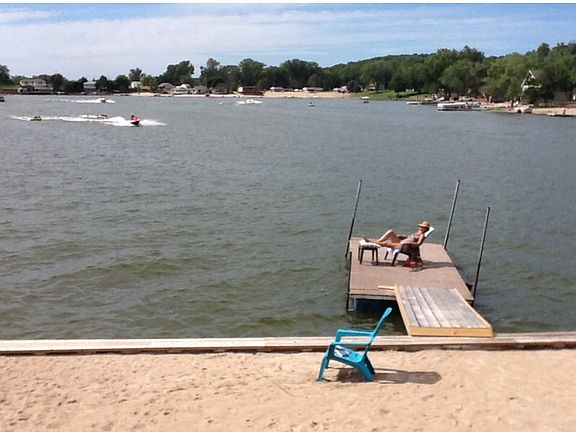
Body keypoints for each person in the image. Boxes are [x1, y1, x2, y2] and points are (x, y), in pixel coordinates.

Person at [363, 221, 431, 270]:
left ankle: (370, 241)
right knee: (390, 232)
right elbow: (409, 237)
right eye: (420, 226)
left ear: (426, 229)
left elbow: (418, 244)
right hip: (401, 241)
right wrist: (402, 236)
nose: (420, 227)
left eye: (422, 227)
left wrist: (408, 243)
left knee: (386, 243)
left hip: (404, 246)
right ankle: (378, 241)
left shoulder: (422, 235)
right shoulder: (417, 233)